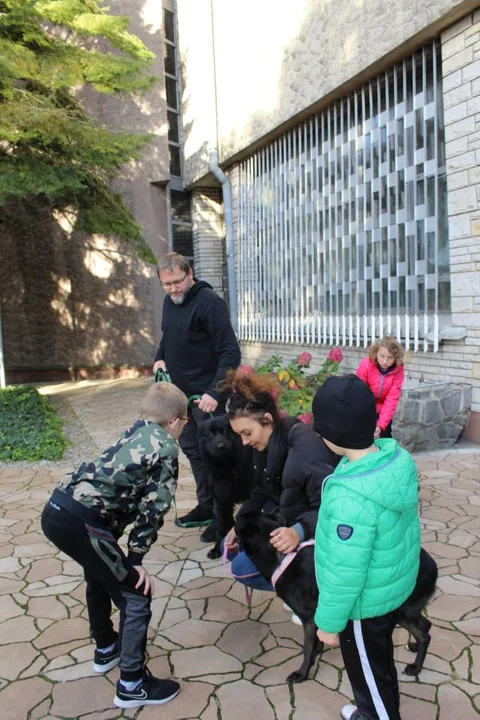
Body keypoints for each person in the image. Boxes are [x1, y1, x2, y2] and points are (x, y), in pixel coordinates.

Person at [41, 382, 188, 710]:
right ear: (176, 422)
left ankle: (107, 647)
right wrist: (135, 559)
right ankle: (132, 684)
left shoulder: (135, 430)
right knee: (137, 594)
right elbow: (155, 506)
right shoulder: (164, 445)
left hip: (56, 511)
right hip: (81, 522)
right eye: (185, 424)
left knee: (99, 575)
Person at [312, 374, 421, 720]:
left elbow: (346, 572)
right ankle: (370, 710)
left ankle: (374, 714)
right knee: (378, 662)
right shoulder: (391, 461)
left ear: (331, 436)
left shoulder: (350, 498)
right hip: (387, 591)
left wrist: (329, 623)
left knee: (369, 674)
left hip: (362, 607)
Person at [223, 370, 338, 620]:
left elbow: (333, 509)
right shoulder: (266, 442)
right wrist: (239, 522)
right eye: (239, 435)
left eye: (246, 433)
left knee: (243, 567)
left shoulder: (306, 450)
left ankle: (312, 593)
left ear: (266, 419)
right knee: (230, 546)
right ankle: (295, 585)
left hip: (317, 534)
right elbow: (259, 491)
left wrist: (298, 531)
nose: (244, 442)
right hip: (287, 518)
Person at [152, 252, 241, 543]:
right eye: (167, 285)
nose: (174, 290)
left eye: (178, 282)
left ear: (190, 273)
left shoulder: (209, 304)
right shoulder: (169, 302)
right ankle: (207, 506)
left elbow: (230, 352)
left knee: (216, 459)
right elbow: (168, 336)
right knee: (194, 453)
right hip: (180, 397)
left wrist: (215, 392)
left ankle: (223, 516)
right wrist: (159, 359)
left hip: (207, 400)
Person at [355, 336, 405, 439]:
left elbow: (392, 399)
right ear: (376, 353)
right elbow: (359, 391)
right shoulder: (366, 365)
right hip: (365, 406)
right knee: (363, 438)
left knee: (385, 437)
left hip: (383, 408)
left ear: (396, 358)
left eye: (390, 358)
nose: (385, 361)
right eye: (382, 356)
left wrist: (381, 425)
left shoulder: (398, 370)